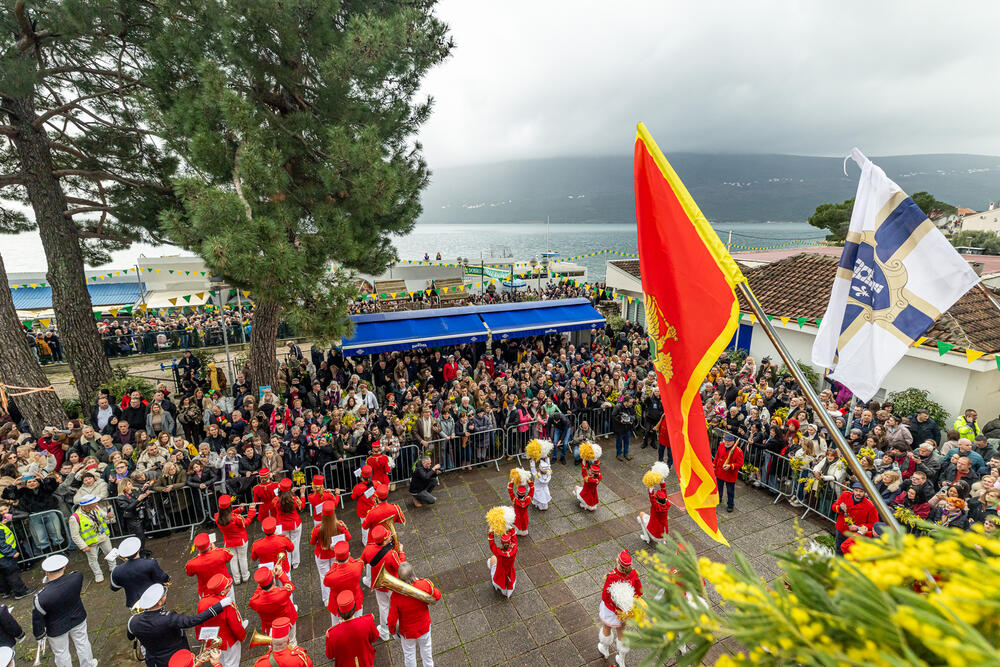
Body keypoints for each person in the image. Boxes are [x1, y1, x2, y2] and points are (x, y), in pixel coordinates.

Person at [128, 583, 231, 667]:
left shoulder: (132, 621)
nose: (165, 595)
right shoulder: (169, 618)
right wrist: (219, 606)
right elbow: (194, 620)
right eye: (163, 595)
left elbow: (131, 636)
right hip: (178, 658)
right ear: (159, 603)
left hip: (153, 660)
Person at [31, 554, 96, 667]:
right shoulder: (77, 578)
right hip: (77, 618)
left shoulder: (41, 597)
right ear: (64, 567)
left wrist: (39, 635)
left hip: (56, 628)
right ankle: (88, 664)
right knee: (83, 642)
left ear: (46, 572)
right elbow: (74, 573)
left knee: (61, 653)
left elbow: (37, 618)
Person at [387, 562, 441, 667]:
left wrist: (393, 631)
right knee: (426, 650)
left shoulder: (395, 596)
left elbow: (391, 619)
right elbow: (437, 595)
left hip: (407, 632)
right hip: (424, 626)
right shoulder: (424, 584)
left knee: (409, 655)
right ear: (412, 574)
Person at [598, 551, 642, 665]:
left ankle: (605, 649)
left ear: (618, 562)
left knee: (606, 628)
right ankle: (621, 660)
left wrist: (614, 607)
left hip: (610, 610)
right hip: (624, 611)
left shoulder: (612, 576)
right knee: (622, 633)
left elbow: (605, 596)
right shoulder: (633, 574)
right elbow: (638, 590)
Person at [361, 524, 403, 640]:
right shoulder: (392, 554)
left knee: (383, 607)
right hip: (392, 585)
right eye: (388, 537)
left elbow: (363, 561)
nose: (390, 538)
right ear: (384, 541)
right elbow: (401, 568)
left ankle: (384, 633)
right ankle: (398, 631)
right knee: (396, 607)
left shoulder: (368, 548)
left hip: (379, 585)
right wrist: (402, 553)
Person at [194, 574, 246, 667]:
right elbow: (235, 626)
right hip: (228, 641)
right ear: (222, 592)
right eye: (228, 587)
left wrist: (200, 637)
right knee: (232, 663)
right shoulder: (227, 605)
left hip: (212, 640)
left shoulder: (202, 602)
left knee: (218, 661)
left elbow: (199, 622)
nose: (229, 588)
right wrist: (242, 636)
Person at [110, 536, 171, 607]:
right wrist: (168, 578)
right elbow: (162, 578)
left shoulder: (116, 570)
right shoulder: (150, 563)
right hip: (153, 599)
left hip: (134, 604)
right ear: (138, 549)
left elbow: (114, 588)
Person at [311, 500, 351, 606]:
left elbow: (312, 542)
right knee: (337, 573)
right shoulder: (340, 525)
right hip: (335, 554)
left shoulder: (317, 529)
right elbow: (348, 537)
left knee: (324, 576)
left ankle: (326, 599)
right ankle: (338, 593)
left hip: (322, 555)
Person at [69, 494, 114, 582]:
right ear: (86, 505)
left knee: (109, 552)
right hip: (90, 542)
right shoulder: (74, 518)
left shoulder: (96, 508)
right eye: (94, 502)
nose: (97, 503)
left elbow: (103, 515)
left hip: (103, 536)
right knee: (93, 559)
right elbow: (75, 535)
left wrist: (108, 516)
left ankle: (113, 568)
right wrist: (83, 546)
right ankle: (98, 574)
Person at [325, 591, 378, 667]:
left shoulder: (331, 634)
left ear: (339, 612)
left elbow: (330, 655)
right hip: (366, 662)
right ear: (354, 608)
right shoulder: (368, 621)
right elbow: (374, 638)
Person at [248, 567, 297, 645]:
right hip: (288, 621)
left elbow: (256, 594)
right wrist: (281, 574)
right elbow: (290, 585)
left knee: (275, 646)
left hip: (271, 626)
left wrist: (263, 581)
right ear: (274, 581)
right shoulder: (283, 592)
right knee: (291, 641)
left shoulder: (254, 601)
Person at [214, 495, 256, 585]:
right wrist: (252, 510)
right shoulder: (237, 518)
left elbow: (226, 515)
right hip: (241, 540)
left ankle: (236, 579)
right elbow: (247, 521)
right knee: (242, 558)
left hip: (228, 542)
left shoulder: (217, 517)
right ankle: (245, 576)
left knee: (233, 560)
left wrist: (239, 510)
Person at [832, 482, 879, 555]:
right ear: (853, 490)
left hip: (855, 535)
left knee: (850, 553)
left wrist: (858, 528)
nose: (858, 493)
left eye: (861, 491)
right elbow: (834, 506)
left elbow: (873, 524)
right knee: (839, 549)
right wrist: (840, 508)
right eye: (856, 490)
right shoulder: (845, 495)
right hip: (841, 529)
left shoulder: (870, 506)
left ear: (865, 493)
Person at [186, 533, 235, 601]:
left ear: (197, 549)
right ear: (210, 544)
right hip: (225, 586)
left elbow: (189, 574)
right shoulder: (220, 553)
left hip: (207, 593)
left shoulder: (192, 564)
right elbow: (229, 556)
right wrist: (215, 549)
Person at [324, 541, 364, 625]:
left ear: (336, 557)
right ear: (348, 554)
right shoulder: (358, 566)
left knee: (336, 629)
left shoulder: (331, 577)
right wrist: (346, 556)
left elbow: (326, 581)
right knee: (358, 625)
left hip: (337, 605)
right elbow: (355, 562)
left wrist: (336, 562)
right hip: (355, 600)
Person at [271, 478, 304, 569]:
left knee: (284, 545)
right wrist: (302, 494)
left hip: (282, 526)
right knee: (295, 543)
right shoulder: (294, 499)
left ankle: (288, 562)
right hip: (294, 523)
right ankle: (295, 562)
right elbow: (302, 506)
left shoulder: (275, 500)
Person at [0, 514, 32, 600]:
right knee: (12, 573)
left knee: (2, 575)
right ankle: (20, 592)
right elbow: (1, 544)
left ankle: (6, 591)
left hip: (2, 556)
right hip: (4, 556)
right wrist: (11, 552)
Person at [714, 434, 744, 513]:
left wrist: (730, 466)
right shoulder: (721, 445)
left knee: (730, 491)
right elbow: (717, 456)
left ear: (733, 442)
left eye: (729, 442)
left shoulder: (738, 451)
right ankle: (719, 498)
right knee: (719, 487)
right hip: (720, 471)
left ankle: (730, 505)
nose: (726, 443)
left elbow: (740, 464)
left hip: (730, 474)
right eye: (725, 441)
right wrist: (714, 465)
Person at [486, 529, 517, 598]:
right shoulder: (514, 549)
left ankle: (500, 586)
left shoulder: (499, 552)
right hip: (510, 575)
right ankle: (507, 588)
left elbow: (492, 545)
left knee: (493, 558)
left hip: (500, 575)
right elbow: (515, 541)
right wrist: (511, 529)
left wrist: (491, 534)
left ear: (501, 542)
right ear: (510, 542)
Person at [351, 465, 376, 544]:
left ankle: (366, 542)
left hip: (363, 510)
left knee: (365, 527)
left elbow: (353, 497)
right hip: (372, 508)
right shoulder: (375, 483)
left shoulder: (358, 487)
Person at [611, 397, 636, 461]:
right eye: (630, 402)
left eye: (632, 402)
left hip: (628, 428)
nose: (631, 404)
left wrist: (632, 419)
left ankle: (626, 454)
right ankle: (618, 455)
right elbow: (613, 416)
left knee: (627, 442)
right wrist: (620, 420)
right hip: (619, 429)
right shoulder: (618, 407)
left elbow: (634, 414)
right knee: (619, 442)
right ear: (625, 402)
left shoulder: (630, 407)